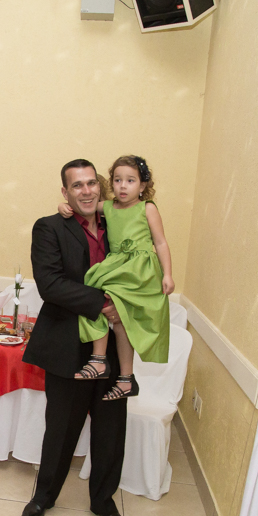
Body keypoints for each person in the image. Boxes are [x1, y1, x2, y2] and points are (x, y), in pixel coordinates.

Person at [21, 159, 129, 516]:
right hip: (67, 344)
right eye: (77, 185)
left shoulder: (119, 224)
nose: (86, 190)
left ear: (100, 186)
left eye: (91, 183)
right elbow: (49, 284)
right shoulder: (49, 227)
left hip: (113, 347)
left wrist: (124, 306)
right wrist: (103, 303)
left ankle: (103, 502)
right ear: (65, 192)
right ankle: (44, 496)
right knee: (61, 429)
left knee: (111, 429)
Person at [58, 155, 173, 399]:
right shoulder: (108, 207)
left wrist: (168, 275)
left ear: (142, 185)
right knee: (105, 307)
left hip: (139, 271)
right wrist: (63, 206)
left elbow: (161, 242)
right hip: (117, 265)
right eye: (117, 180)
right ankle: (122, 377)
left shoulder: (147, 208)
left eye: (130, 181)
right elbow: (82, 205)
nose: (123, 186)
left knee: (115, 310)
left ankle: (102, 362)